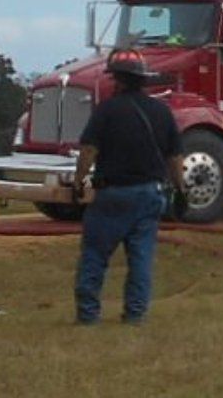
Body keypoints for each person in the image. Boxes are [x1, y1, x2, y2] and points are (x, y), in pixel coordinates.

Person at [72, 49, 186, 325]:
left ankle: (88, 315)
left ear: (117, 80)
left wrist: (78, 182)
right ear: (142, 79)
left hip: (111, 195)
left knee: (95, 257)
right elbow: (175, 158)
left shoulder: (107, 111)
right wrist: (180, 190)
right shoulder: (161, 112)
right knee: (141, 259)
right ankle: (135, 315)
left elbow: (88, 150)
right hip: (149, 194)